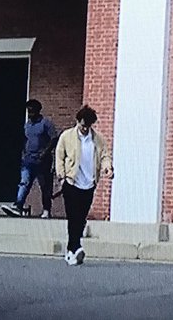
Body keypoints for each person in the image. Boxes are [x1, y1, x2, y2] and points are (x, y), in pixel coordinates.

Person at [54, 104, 113, 266]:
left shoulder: (98, 139)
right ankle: (75, 248)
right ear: (77, 121)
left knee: (81, 218)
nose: (85, 129)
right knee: (73, 217)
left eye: (88, 126)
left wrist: (107, 168)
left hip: (89, 183)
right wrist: (61, 176)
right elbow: (59, 156)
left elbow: (105, 155)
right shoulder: (67, 136)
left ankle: (72, 249)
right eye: (82, 125)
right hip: (72, 182)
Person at [2, 99, 57, 218]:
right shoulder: (27, 125)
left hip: (43, 161)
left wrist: (45, 153)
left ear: (38, 111)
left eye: (32, 111)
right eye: (28, 111)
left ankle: (46, 210)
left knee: (45, 186)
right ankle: (18, 205)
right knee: (24, 182)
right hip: (28, 160)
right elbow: (25, 139)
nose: (30, 114)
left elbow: (54, 139)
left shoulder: (46, 123)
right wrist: (24, 152)